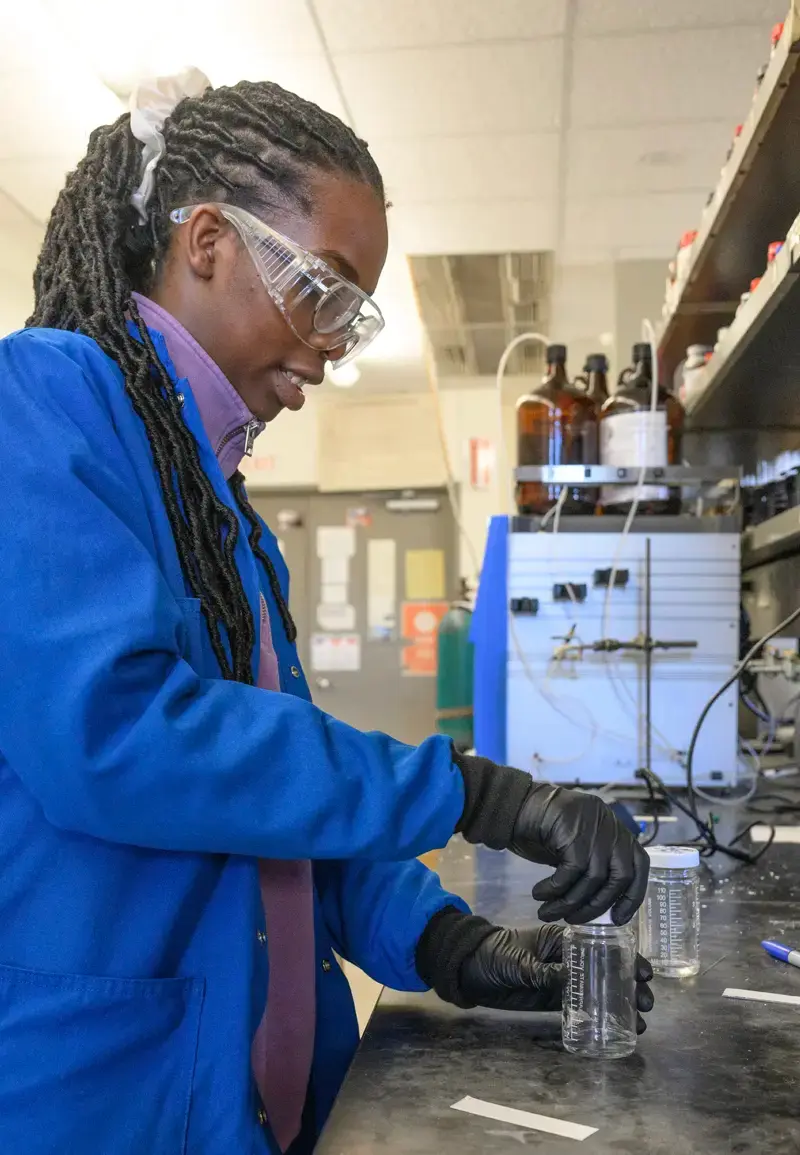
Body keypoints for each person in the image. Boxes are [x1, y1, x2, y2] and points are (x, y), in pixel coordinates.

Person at [0, 72, 651, 1155]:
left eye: (354, 316)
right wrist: (469, 794)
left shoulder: (221, 511)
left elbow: (274, 813)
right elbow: (120, 738)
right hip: (108, 1098)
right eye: (322, 290)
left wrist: (446, 942)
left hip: (253, 1101)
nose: (330, 347)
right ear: (205, 240)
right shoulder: (39, 403)